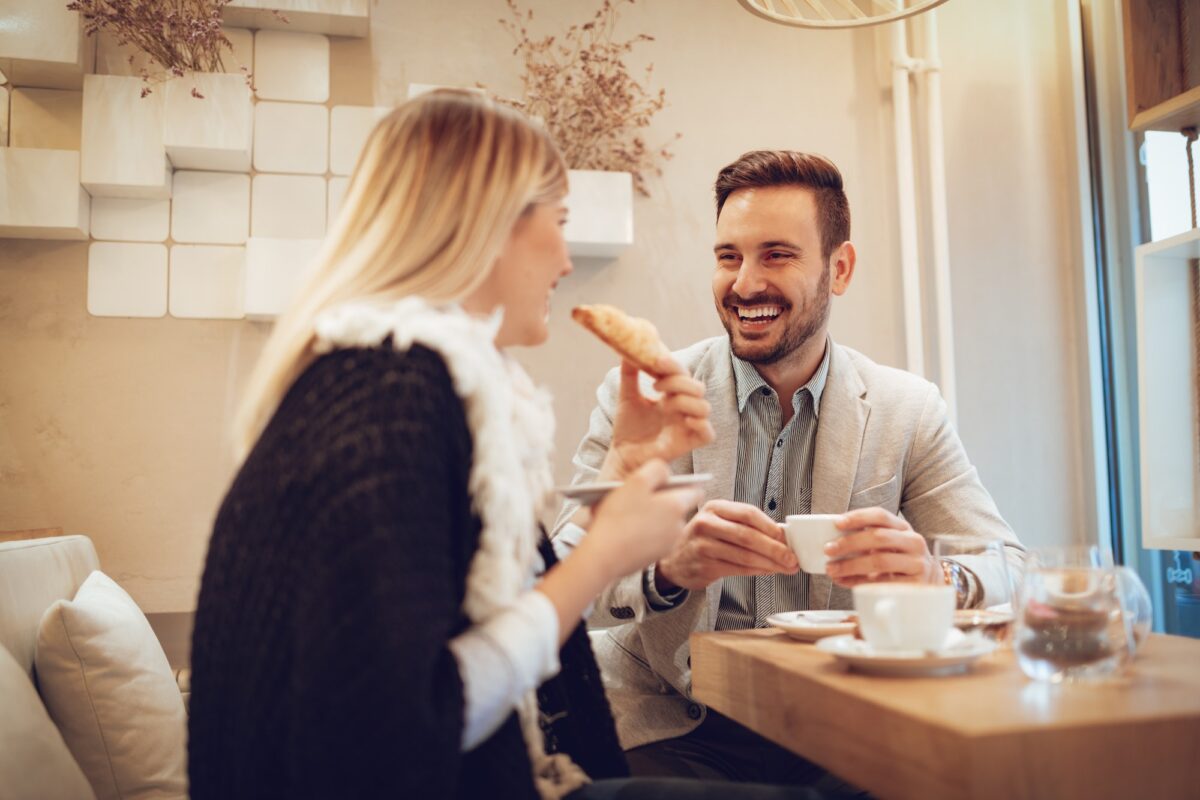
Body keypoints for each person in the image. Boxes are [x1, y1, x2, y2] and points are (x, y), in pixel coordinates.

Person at [188, 94, 854, 800]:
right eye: (559, 224)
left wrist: (621, 470)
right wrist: (606, 555)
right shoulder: (390, 402)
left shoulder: (403, 380)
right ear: (485, 226)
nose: (567, 260)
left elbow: (493, 606)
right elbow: (403, 732)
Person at [552, 150, 1026, 784]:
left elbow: (1014, 571)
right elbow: (559, 580)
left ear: (840, 268)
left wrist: (934, 574)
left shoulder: (905, 410)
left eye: (776, 254)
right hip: (666, 719)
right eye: (729, 257)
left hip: (839, 721)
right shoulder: (642, 395)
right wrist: (668, 572)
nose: (745, 283)